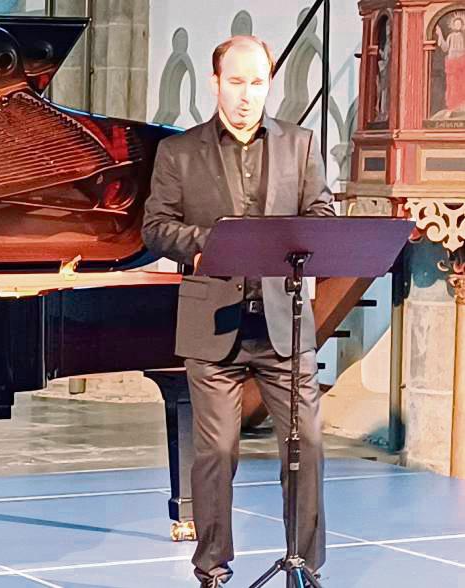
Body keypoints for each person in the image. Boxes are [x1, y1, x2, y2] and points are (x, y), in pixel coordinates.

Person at [141, 36, 335, 587]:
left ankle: (305, 565)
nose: (247, 95)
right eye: (236, 82)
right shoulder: (179, 152)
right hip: (214, 325)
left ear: (268, 83)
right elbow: (155, 227)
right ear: (215, 83)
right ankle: (211, 567)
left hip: (284, 324)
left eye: (257, 83)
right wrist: (207, 245)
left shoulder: (300, 144)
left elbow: (321, 212)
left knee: (309, 445)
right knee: (218, 449)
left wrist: (300, 237)